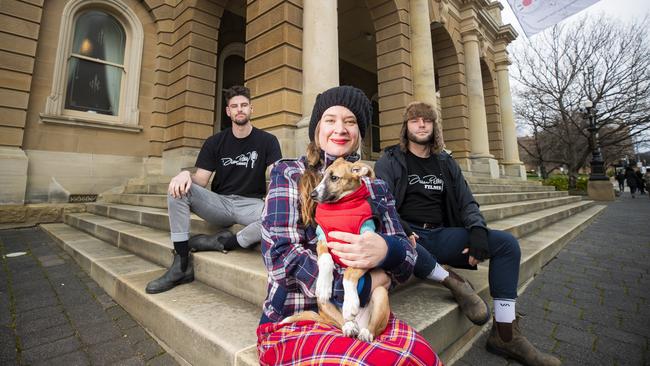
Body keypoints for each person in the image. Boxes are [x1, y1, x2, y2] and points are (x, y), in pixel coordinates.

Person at [257, 86, 439, 365]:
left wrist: (387, 250)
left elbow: (407, 256)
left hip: (364, 316)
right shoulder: (289, 173)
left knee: (423, 358)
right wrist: (364, 284)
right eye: (330, 120)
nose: (339, 129)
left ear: (359, 132)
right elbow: (281, 257)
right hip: (298, 316)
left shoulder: (375, 187)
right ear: (317, 128)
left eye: (350, 121)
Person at [375, 101, 560, 366]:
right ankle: (453, 281)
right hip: (407, 235)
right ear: (406, 127)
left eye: (427, 120)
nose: (421, 124)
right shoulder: (391, 159)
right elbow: (384, 201)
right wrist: (403, 230)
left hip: (439, 235)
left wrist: (477, 232)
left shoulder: (445, 163)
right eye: (415, 120)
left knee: (507, 244)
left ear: (434, 126)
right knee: (400, 239)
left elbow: (467, 202)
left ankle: (505, 333)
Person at [145, 85, 282, 294]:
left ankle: (226, 242)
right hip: (220, 203)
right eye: (234, 106)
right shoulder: (215, 142)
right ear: (228, 111)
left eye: (244, 105)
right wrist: (184, 175)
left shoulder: (268, 141)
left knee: (277, 215)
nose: (239, 109)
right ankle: (181, 263)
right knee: (178, 189)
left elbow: (276, 175)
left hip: (251, 204)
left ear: (251, 109)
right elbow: (200, 180)